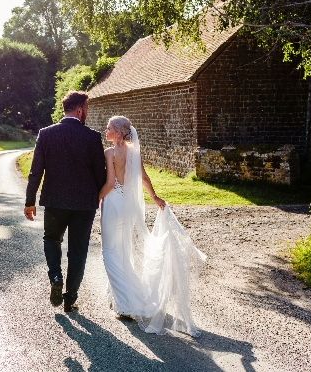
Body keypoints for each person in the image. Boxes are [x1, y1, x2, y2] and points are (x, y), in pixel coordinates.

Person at [99, 115, 206, 337]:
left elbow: (110, 184)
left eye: (108, 128)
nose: (105, 130)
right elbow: (144, 178)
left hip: (112, 204)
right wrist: (155, 198)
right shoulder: (134, 153)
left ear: (118, 133)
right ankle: (125, 295)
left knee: (110, 253)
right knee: (122, 252)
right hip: (128, 206)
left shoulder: (109, 153)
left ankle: (126, 303)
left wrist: (95, 199)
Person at [24, 91, 106, 313]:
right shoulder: (92, 137)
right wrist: (98, 197)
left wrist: (30, 201)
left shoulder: (46, 134)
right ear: (80, 110)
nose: (87, 113)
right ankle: (70, 299)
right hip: (84, 204)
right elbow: (101, 174)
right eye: (87, 109)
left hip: (54, 201)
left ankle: (56, 276)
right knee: (78, 251)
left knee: (51, 239)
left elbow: (35, 172)